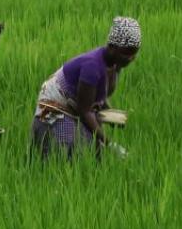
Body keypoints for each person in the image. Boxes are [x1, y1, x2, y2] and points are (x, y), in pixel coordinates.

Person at [33, 16, 141, 159]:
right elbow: (85, 111)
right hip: (56, 106)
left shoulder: (114, 64)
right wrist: (111, 145)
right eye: (127, 53)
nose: (131, 58)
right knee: (64, 153)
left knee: (93, 150)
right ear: (112, 47)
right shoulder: (92, 66)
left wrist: (111, 114)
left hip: (77, 103)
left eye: (134, 54)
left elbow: (98, 98)